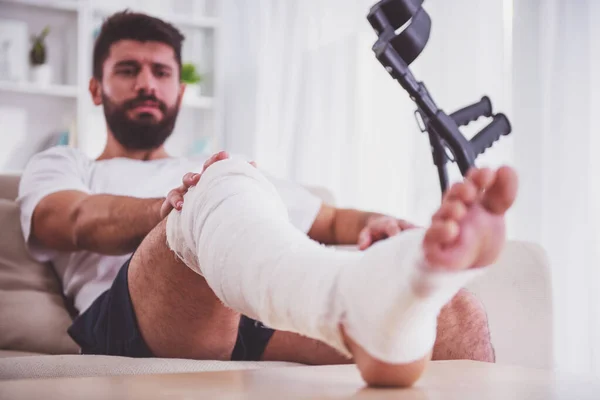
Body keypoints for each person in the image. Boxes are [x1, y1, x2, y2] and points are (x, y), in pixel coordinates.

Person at [17, 11, 517, 387]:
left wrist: (394, 228)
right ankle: (340, 296)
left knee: (457, 315)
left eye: (161, 72)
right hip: (140, 313)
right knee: (219, 183)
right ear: (96, 88)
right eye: (128, 70)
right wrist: (176, 209)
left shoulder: (228, 179)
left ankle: (383, 316)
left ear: (179, 91)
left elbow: (335, 220)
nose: (147, 82)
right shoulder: (67, 164)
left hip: (251, 310)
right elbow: (72, 219)